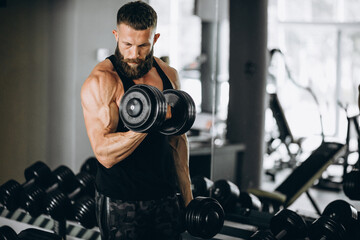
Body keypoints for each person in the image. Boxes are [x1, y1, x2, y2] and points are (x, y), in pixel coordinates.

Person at [80, 1, 193, 239]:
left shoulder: (168, 75)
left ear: (155, 39)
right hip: (122, 200)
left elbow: (177, 141)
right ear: (116, 36)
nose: (134, 54)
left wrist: (187, 197)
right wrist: (147, 121)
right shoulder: (102, 82)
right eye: (127, 44)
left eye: (143, 45)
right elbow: (104, 154)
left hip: (165, 195)